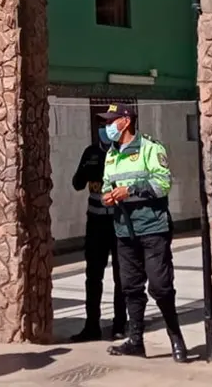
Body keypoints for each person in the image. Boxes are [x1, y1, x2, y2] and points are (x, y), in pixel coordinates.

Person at [98, 104, 188, 363]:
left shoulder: (151, 148)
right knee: (130, 287)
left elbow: (163, 184)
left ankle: (175, 336)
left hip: (152, 228)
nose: (107, 127)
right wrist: (108, 197)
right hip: (124, 230)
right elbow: (106, 184)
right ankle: (136, 340)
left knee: (160, 287)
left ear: (125, 121)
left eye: (111, 121)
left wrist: (131, 189)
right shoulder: (111, 155)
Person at [69, 126, 126, 343]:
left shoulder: (123, 155)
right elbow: (77, 183)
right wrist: (86, 170)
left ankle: (120, 324)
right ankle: (91, 325)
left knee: (122, 276)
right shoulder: (90, 153)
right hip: (96, 223)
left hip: (119, 223)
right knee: (93, 276)